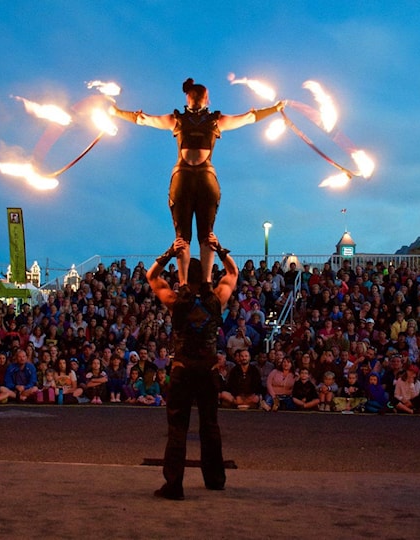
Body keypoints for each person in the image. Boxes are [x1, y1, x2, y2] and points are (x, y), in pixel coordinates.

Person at [112, 78, 282, 286]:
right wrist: (274, 109)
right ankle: (199, 282)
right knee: (195, 235)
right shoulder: (189, 119)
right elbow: (248, 117)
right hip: (191, 178)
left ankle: (196, 282)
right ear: (205, 99)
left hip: (195, 178)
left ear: (190, 97)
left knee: (194, 235)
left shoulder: (201, 120)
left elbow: (144, 119)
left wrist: (274, 109)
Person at [147, 234, 238, 500]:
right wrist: (219, 248)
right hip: (208, 369)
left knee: (178, 427)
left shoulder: (177, 301)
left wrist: (169, 252)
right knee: (210, 425)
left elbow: (153, 277)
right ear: (207, 276)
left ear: (183, 276)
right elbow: (232, 272)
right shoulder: (217, 298)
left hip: (183, 368)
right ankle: (215, 479)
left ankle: (174, 485)